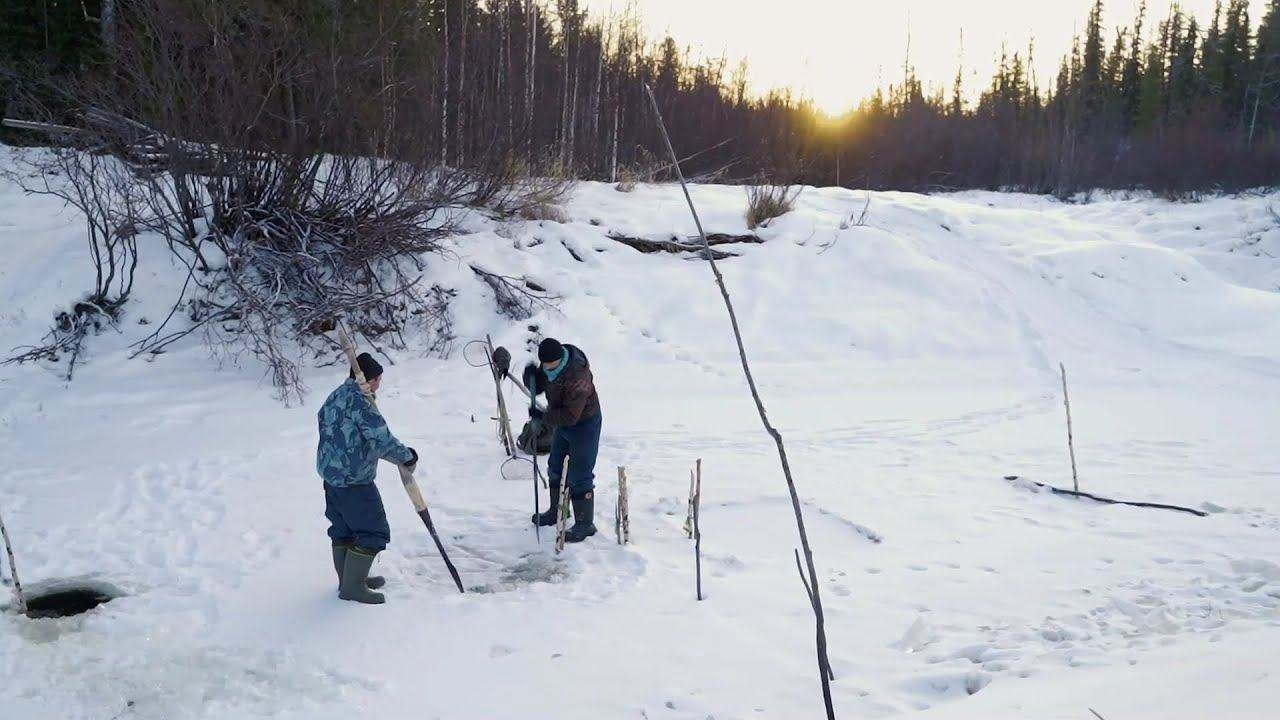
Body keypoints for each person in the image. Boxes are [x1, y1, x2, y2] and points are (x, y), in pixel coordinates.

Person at [316, 352, 418, 604]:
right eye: (378, 380)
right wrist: (406, 457)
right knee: (373, 531)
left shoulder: (335, 396)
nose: (378, 385)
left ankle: (351, 579)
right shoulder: (361, 403)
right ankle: (352, 588)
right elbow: (380, 440)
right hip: (355, 481)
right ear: (369, 378)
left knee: (343, 530)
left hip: (331, 477)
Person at [525, 337, 602, 543]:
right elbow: (540, 385)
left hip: (584, 423)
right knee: (555, 466)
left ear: (560, 358)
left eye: (551, 364)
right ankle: (556, 510)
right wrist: (530, 378)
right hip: (561, 421)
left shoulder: (578, 378)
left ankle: (585, 524)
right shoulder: (551, 364)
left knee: (579, 474)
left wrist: (543, 416)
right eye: (544, 364)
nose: (547, 367)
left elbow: (570, 416)